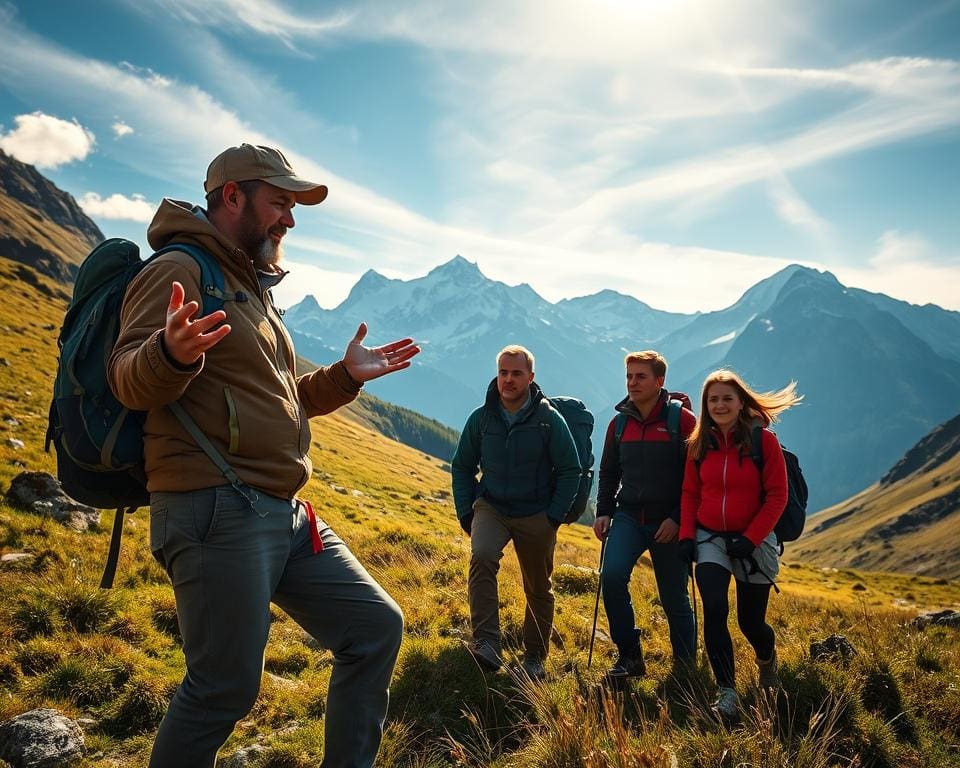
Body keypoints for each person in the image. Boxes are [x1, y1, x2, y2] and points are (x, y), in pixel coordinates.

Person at [108, 144, 420, 768]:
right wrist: (169, 354)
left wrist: (344, 377)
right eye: (280, 202)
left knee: (374, 629)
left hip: (278, 509)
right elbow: (127, 379)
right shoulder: (179, 270)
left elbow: (275, 402)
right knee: (224, 688)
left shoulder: (248, 283)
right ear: (232, 196)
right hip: (213, 507)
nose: (290, 220)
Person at [451, 345, 580, 680]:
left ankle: (534, 657)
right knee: (481, 556)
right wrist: (467, 513)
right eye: (503, 372)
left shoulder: (549, 420)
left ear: (530, 377)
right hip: (491, 506)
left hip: (537, 512)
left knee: (538, 585)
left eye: (516, 373)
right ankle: (487, 644)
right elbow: (462, 466)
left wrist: (553, 516)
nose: (508, 380)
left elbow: (570, 469)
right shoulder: (481, 418)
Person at [678, 369, 801, 720]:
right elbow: (690, 493)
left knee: (751, 623)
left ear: (741, 402)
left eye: (726, 398)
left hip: (755, 540)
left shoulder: (765, 443)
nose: (719, 404)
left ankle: (766, 661)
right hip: (710, 537)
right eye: (713, 399)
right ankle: (727, 692)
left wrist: (752, 538)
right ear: (705, 404)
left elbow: (778, 495)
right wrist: (688, 535)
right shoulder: (699, 444)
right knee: (715, 607)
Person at [594, 351, 697, 685]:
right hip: (628, 517)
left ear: (660, 381)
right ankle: (629, 656)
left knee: (673, 597)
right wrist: (604, 512)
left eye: (640, 376)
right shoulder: (618, 423)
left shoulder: (683, 423)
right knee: (611, 578)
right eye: (629, 376)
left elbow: (695, 478)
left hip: (668, 522)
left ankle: (684, 667)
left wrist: (678, 519)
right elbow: (609, 472)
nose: (632, 383)